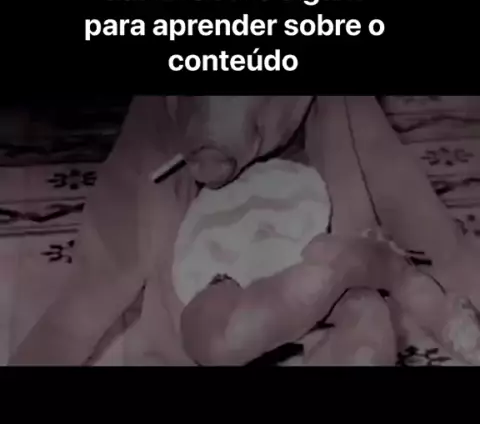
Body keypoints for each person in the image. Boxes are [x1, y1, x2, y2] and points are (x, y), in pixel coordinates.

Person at [8, 95, 480, 366]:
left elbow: (410, 206)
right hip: (224, 287)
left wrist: (450, 280)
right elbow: (96, 281)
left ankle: (330, 282)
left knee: (368, 323)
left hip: (323, 264)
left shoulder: (334, 106)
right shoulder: (157, 119)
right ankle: (327, 276)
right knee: (213, 340)